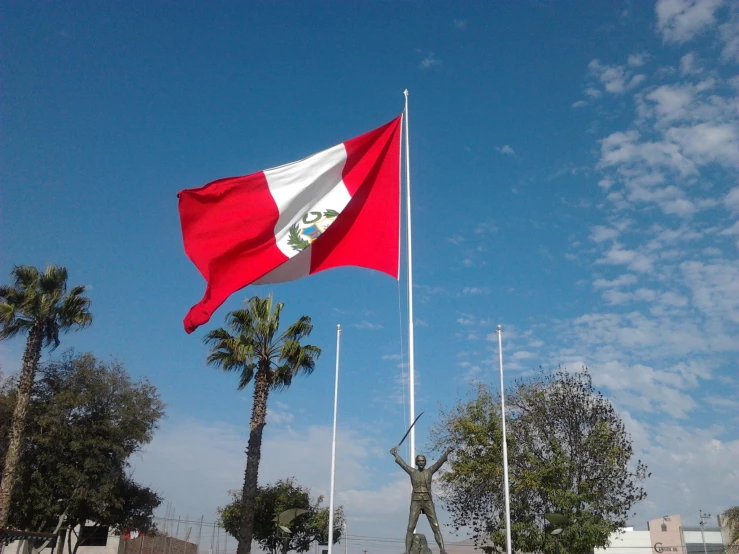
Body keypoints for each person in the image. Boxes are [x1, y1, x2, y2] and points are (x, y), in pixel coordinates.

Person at [390, 445, 453, 554]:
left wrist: (446, 452)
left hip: (427, 500)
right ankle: (407, 551)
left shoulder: (429, 471)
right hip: (416, 500)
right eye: (419, 461)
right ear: (416, 462)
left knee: (435, 525)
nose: (421, 462)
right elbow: (403, 464)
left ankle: (442, 550)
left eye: (423, 461)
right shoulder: (412, 472)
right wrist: (395, 454)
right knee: (410, 526)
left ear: (425, 462)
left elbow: (439, 463)